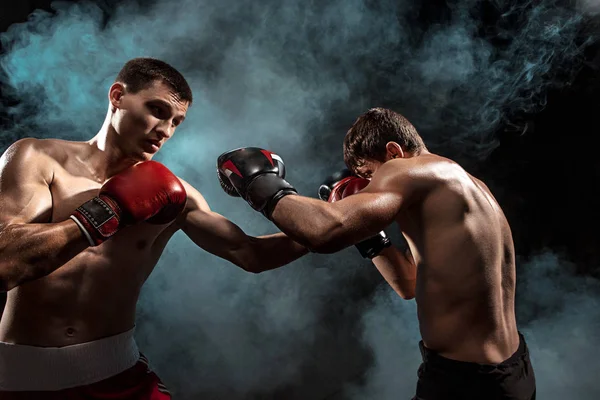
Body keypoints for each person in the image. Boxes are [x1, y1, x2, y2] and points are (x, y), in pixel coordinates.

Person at [0, 57, 308, 399]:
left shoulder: (176, 195)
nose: (166, 131)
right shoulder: (39, 159)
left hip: (118, 375)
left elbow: (251, 253)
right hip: (21, 377)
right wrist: (105, 213)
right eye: (158, 111)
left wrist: (342, 221)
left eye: (177, 122)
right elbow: (4, 262)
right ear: (117, 96)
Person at [217, 108, 537, 400]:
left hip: (465, 383)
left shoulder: (408, 170)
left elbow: (324, 231)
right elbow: (409, 284)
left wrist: (259, 181)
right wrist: (368, 235)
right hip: (513, 372)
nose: (372, 187)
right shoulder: (468, 185)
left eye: (370, 176)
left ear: (394, 151)